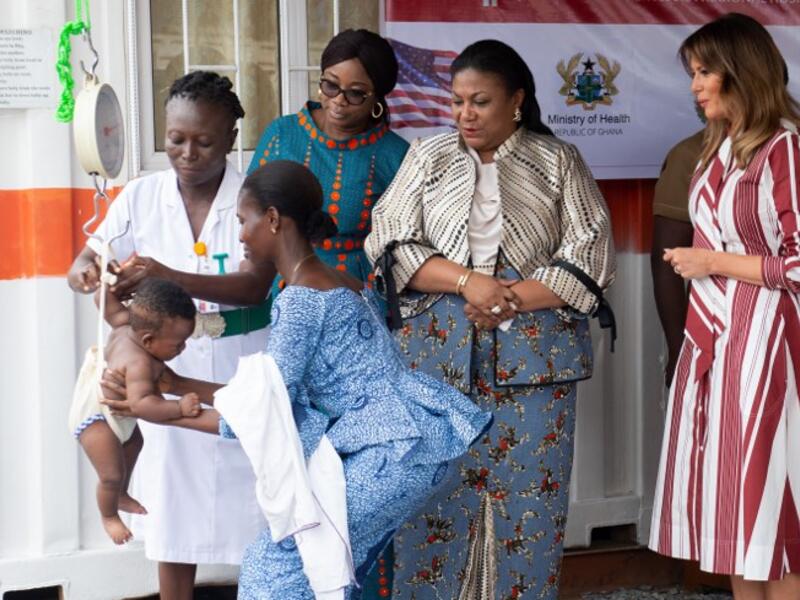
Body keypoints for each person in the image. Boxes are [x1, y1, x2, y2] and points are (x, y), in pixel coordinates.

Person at [102, 160, 492, 599]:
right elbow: (267, 395)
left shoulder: (302, 301)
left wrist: (156, 412)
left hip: (391, 452)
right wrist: (177, 385)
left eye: (242, 221)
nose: (241, 235)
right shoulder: (337, 281)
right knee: (320, 568)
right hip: (416, 442)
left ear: (272, 219)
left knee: (277, 569)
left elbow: (265, 418)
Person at [365, 39, 616, 599]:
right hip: (436, 365)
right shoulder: (428, 158)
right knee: (431, 505)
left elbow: (592, 252)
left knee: (530, 511)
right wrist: (468, 281)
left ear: (517, 100)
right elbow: (386, 242)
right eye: (456, 102)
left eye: (480, 101)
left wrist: (509, 298)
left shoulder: (558, 162)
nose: (465, 115)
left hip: (535, 367)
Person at [67, 71, 271, 599]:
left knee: (255, 509)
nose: (187, 152)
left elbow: (254, 286)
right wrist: (85, 270)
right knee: (171, 509)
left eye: (204, 141)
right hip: (158, 368)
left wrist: (168, 275)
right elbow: (92, 256)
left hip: (237, 360)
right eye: (176, 139)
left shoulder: (252, 198)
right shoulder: (141, 195)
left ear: (230, 137)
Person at [247, 28, 408, 594]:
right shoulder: (284, 134)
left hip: (362, 313)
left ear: (380, 97)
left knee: (359, 465)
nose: (338, 102)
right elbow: (255, 227)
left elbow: (405, 244)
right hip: (290, 299)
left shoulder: (395, 154)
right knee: (298, 447)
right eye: (330, 87)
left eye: (356, 94)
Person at [649, 13, 800, 599]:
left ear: (740, 72)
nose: (694, 84)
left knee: (772, 505)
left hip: (769, 347)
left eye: (704, 70)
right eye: (692, 72)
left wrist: (712, 263)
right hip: (716, 345)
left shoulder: (784, 147)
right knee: (734, 510)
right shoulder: (717, 148)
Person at [69, 279, 200, 544]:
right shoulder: (139, 363)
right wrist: (179, 406)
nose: (182, 348)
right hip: (97, 417)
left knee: (135, 442)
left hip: (116, 416)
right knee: (111, 474)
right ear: (148, 340)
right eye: (178, 344)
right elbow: (142, 405)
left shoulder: (124, 324)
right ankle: (108, 515)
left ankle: (121, 494)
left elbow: (102, 300)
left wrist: (107, 284)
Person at [651, 129, 703, 387]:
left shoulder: (788, 144)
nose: (697, 87)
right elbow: (667, 261)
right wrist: (679, 349)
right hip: (722, 322)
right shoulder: (693, 154)